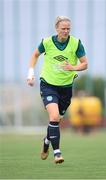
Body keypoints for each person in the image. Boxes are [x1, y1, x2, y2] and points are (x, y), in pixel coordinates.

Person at [27, 16, 88, 164]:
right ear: (57, 29)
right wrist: (30, 73)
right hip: (48, 85)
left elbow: (85, 64)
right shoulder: (47, 42)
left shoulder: (76, 43)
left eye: (68, 29)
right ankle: (57, 153)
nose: (66, 31)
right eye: (63, 28)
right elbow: (35, 55)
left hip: (66, 88)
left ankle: (47, 141)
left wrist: (72, 68)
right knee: (54, 117)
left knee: (56, 120)